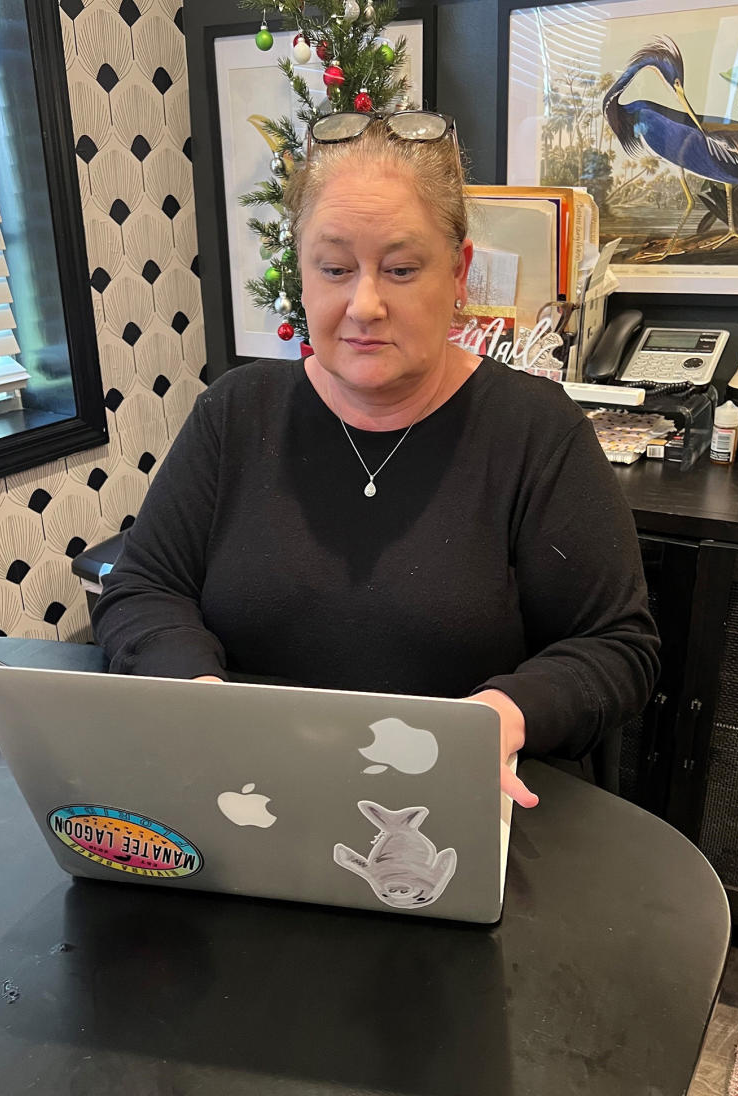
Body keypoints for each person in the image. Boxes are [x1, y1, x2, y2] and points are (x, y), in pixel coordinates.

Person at [92, 110, 660, 808]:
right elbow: (143, 590)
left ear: (459, 271)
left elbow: (617, 646)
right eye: (334, 268)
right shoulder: (235, 413)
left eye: (400, 269)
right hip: (252, 801)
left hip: (458, 812)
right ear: (300, 270)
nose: (364, 304)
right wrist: (204, 701)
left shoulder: (536, 433)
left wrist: (502, 714)